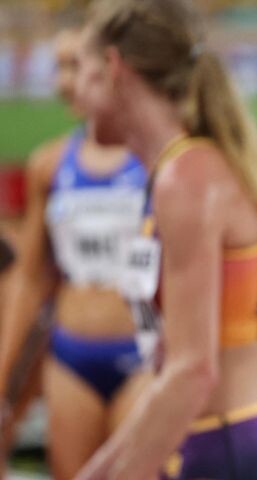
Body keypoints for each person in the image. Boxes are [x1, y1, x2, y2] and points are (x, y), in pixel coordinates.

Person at [71, 0, 257, 478]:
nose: (71, 92)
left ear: (113, 68)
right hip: (212, 445)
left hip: (225, 450)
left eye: (81, 70)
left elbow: (193, 371)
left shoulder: (187, 177)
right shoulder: (179, 171)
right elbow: (174, 370)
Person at [0, 26, 150, 479]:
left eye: (74, 66)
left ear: (112, 67)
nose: (63, 82)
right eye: (57, 68)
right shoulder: (49, 164)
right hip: (71, 356)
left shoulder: (156, 160)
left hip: (143, 355)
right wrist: (4, 377)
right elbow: (29, 279)